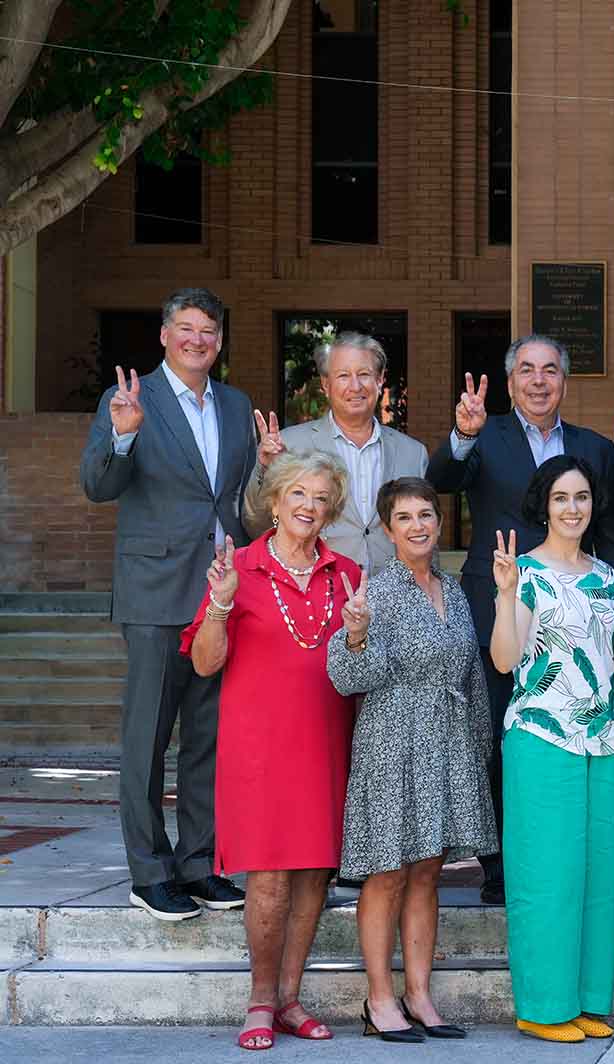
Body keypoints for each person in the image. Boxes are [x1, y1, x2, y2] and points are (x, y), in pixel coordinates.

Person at [426, 333, 614, 906]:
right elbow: (439, 478)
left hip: (577, 612)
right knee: (499, 730)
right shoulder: (484, 437)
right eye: (525, 371)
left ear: (564, 382)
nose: (538, 381)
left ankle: (566, 856)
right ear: (511, 381)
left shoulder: (593, 446)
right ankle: (500, 867)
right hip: (503, 600)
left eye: (549, 371)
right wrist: (462, 434)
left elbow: (613, 527)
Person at [78, 287, 255, 922]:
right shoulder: (130, 399)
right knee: (147, 736)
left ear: (219, 339)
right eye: (185, 328)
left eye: (208, 330)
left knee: (208, 738)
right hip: (155, 592)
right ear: (164, 335)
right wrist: (122, 438)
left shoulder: (237, 406)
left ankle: (200, 863)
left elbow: (235, 502)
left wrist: (270, 473)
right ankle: (148, 871)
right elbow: (98, 486)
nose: (197, 339)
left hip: (221, 592)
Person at [182, 451, 359, 1051]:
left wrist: (361, 640)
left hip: (325, 740)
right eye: (298, 495)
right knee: (269, 876)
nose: (309, 507)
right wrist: (224, 603)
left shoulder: (348, 574)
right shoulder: (241, 567)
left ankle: (289, 998)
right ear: (276, 501)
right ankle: (260, 999)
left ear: (331, 510)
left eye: (321, 499)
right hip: (258, 746)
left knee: (313, 872)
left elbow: (359, 668)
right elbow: (206, 662)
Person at [326, 477, 497, 1042]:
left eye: (427, 514)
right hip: (393, 742)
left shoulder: (455, 589)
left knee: (429, 870)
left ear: (439, 522)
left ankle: (420, 994)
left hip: (447, 744)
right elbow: (348, 679)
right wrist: (354, 637)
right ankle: (379, 1000)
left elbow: (472, 677)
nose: (419, 525)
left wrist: (477, 750)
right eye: (405, 518)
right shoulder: (374, 590)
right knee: (389, 872)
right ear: (388, 529)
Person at [488, 455, 614, 1044]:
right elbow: (504, 660)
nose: (573, 508)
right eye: (561, 498)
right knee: (548, 874)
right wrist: (503, 595)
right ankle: (543, 1007)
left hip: (608, 740)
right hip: (543, 736)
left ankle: (589, 1000)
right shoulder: (522, 572)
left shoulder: (609, 577)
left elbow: (613, 660)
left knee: (604, 873)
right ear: (543, 506)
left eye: (581, 497)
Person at [243, 332, 429, 573]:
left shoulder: (413, 453)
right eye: (343, 376)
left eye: (364, 374)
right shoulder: (290, 445)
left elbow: (426, 535)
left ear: (380, 379)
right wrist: (266, 469)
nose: (355, 386)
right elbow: (255, 524)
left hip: (395, 597)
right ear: (325, 384)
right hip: (319, 591)